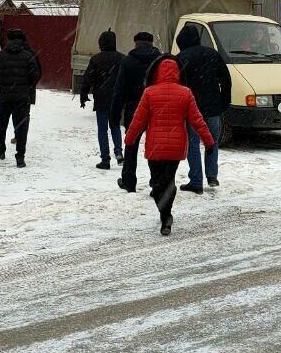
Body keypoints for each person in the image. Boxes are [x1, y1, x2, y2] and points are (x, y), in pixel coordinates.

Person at [122, 55, 216, 236]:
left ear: (157, 73)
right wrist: (209, 141)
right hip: (175, 147)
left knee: (157, 183)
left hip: (155, 147)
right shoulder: (186, 93)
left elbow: (138, 120)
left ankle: (165, 215)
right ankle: (166, 214)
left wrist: (129, 139)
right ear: (177, 73)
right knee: (168, 181)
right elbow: (197, 120)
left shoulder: (149, 92)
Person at [175, 24, 231, 192]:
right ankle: (212, 175)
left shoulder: (181, 58)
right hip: (213, 106)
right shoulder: (212, 54)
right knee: (211, 141)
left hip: (192, 108)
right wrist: (224, 101)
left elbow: (178, 85)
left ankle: (196, 180)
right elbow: (226, 79)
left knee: (192, 143)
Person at [112, 31, 162, 193]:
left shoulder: (128, 61)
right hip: (156, 108)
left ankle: (129, 181)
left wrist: (115, 114)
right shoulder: (160, 62)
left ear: (136, 43)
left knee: (131, 144)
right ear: (151, 43)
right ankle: (156, 182)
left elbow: (119, 90)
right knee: (155, 146)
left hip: (134, 109)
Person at [0, 28, 41, 167]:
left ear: (8, 40)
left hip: (4, 97)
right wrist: (27, 88)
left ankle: (0, 150)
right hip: (22, 98)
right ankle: (20, 156)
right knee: (21, 127)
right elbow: (36, 75)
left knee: (2, 124)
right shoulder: (28, 56)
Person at [79, 29, 125, 170]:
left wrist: (83, 95)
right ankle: (118, 152)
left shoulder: (96, 59)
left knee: (102, 129)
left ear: (101, 43)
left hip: (101, 98)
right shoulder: (122, 58)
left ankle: (105, 159)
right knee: (115, 126)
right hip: (117, 98)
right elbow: (126, 79)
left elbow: (87, 79)